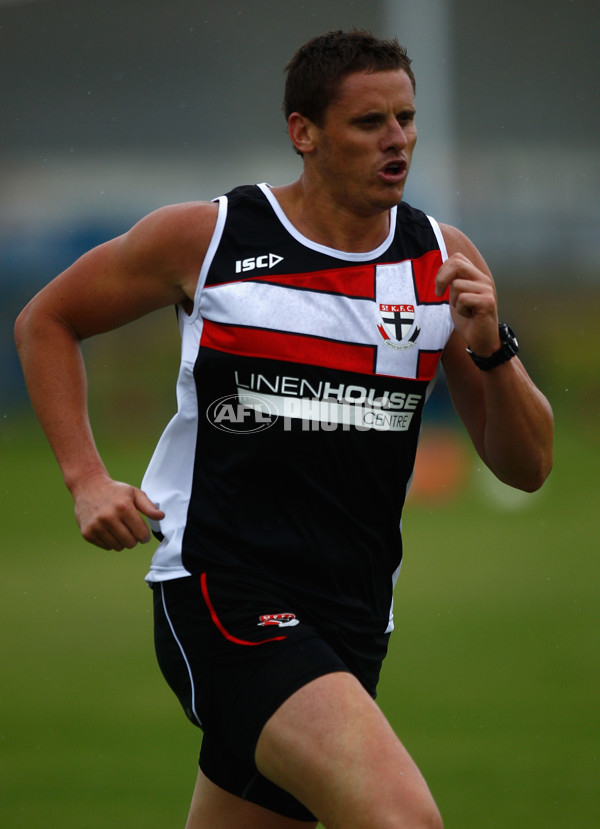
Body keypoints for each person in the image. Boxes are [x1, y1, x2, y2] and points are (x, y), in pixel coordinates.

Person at [14, 29, 553, 829]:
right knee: (404, 818)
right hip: (223, 591)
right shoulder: (211, 238)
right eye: (370, 122)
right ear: (304, 132)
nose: (397, 139)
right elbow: (46, 319)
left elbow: (526, 466)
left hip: (354, 614)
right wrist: (86, 477)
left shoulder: (442, 261)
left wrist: (490, 348)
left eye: (406, 118)